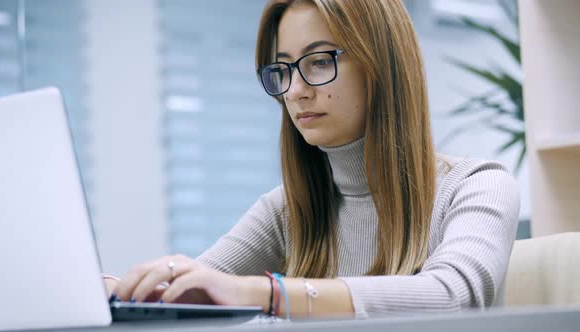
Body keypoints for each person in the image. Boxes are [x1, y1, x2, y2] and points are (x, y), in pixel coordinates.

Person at [105, 0, 520, 319]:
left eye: (320, 61)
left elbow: (452, 295)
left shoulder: (477, 185)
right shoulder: (286, 210)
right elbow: (198, 290)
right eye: (283, 69)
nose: (295, 90)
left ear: (381, 62)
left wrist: (271, 293)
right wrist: (126, 291)